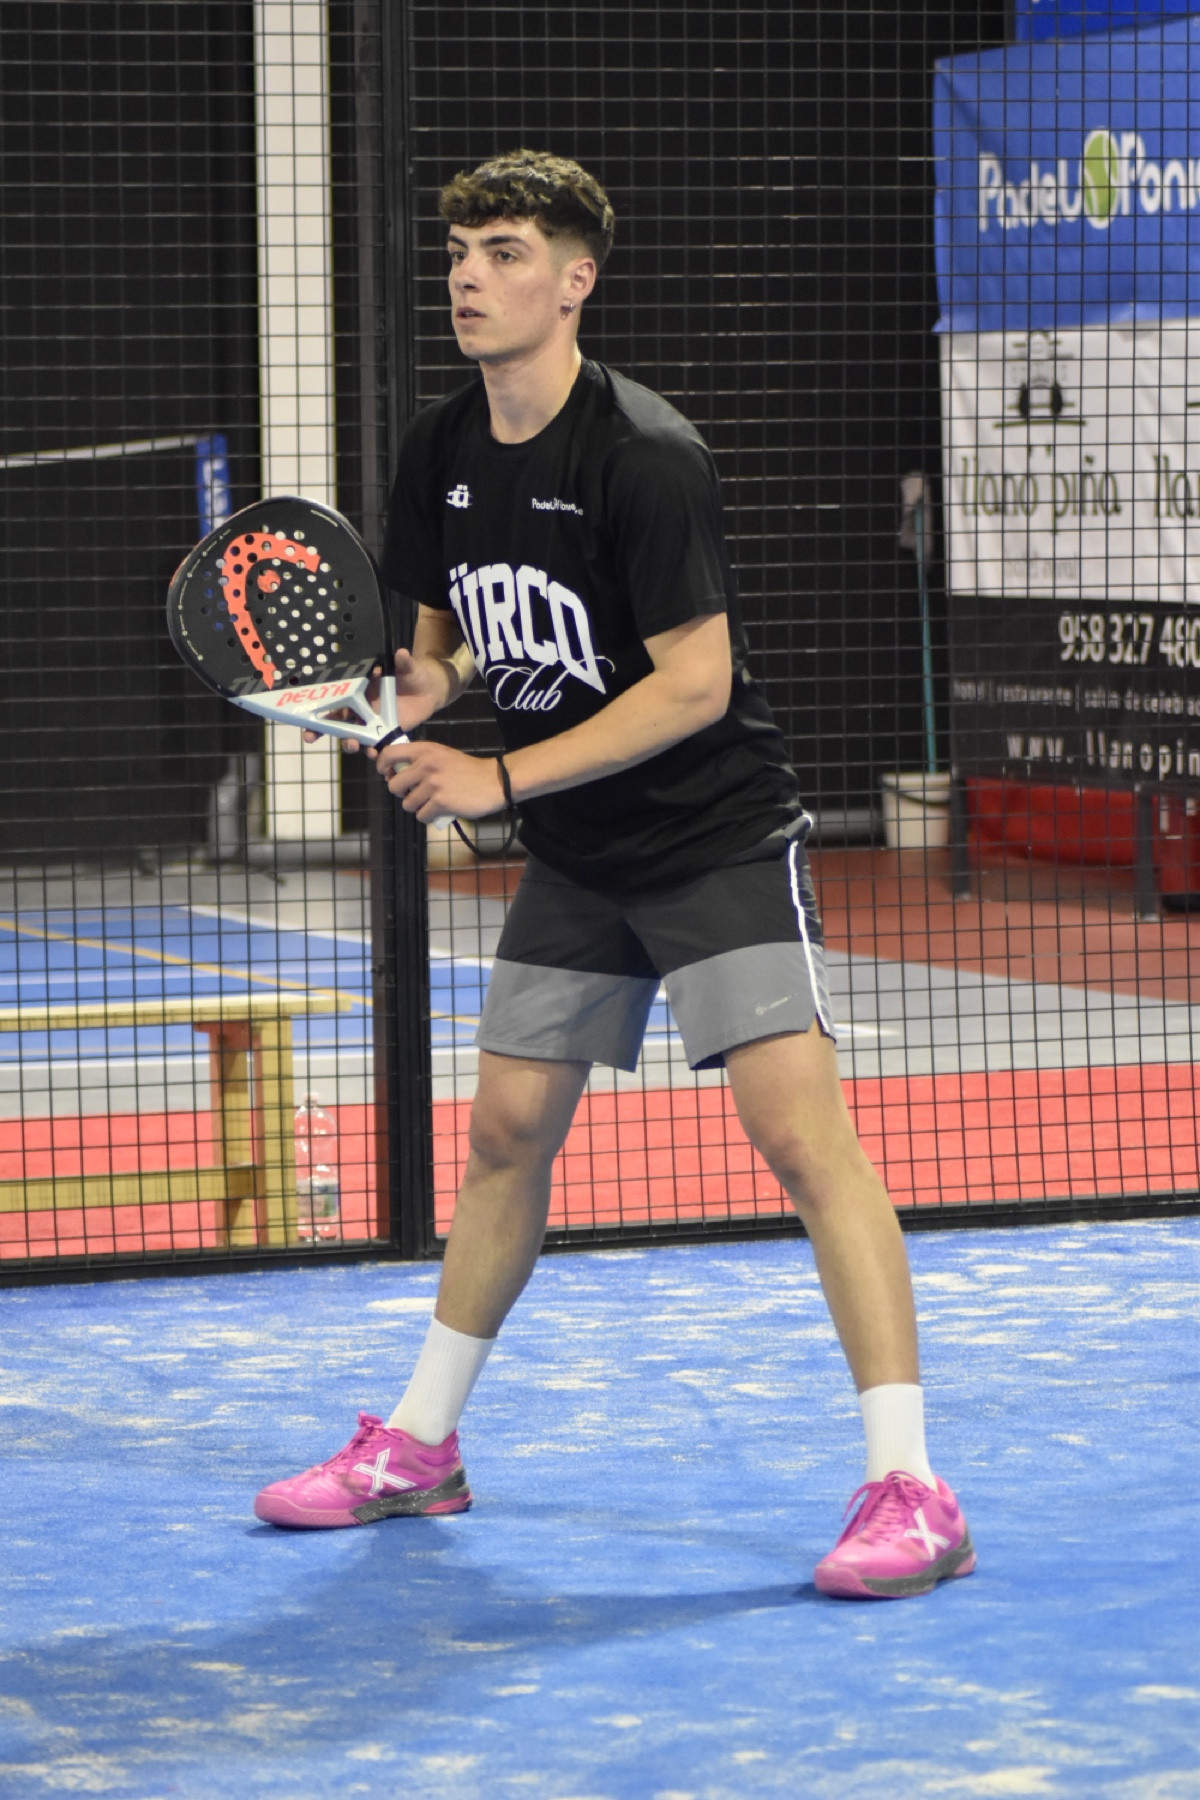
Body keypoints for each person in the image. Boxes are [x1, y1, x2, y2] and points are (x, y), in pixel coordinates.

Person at [254, 149, 974, 1600]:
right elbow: (443, 638)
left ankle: (913, 1488)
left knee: (800, 1138)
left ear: (576, 280)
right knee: (507, 1133)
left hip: (713, 840)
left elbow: (694, 686)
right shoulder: (440, 446)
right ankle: (422, 1447)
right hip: (581, 855)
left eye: (505, 253)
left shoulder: (645, 452)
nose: (469, 277)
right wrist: (423, 694)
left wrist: (496, 780)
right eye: (459, 253)